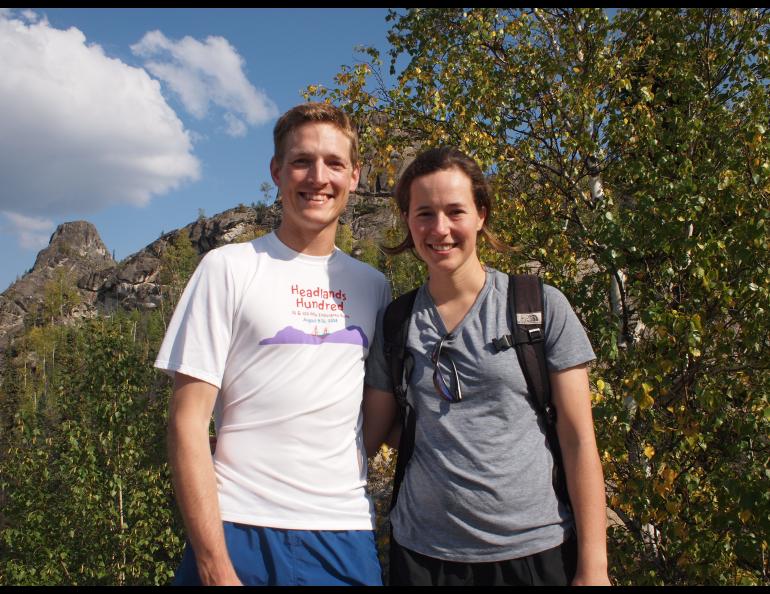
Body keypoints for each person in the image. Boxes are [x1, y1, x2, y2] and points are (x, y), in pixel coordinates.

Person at [155, 102, 391, 586]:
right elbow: (187, 421)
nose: (317, 176)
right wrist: (214, 566)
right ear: (277, 171)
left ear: (355, 176)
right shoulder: (228, 268)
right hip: (238, 526)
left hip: (343, 530)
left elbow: (371, 414)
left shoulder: (374, 287)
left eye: (334, 163)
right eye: (302, 161)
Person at [363, 147, 611, 586]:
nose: (440, 229)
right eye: (424, 214)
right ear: (407, 221)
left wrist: (593, 567)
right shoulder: (397, 322)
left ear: (481, 214)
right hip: (423, 557)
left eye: (455, 211)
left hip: (536, 552)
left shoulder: (538, 306)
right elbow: (371, 433)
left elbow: (578, 440)